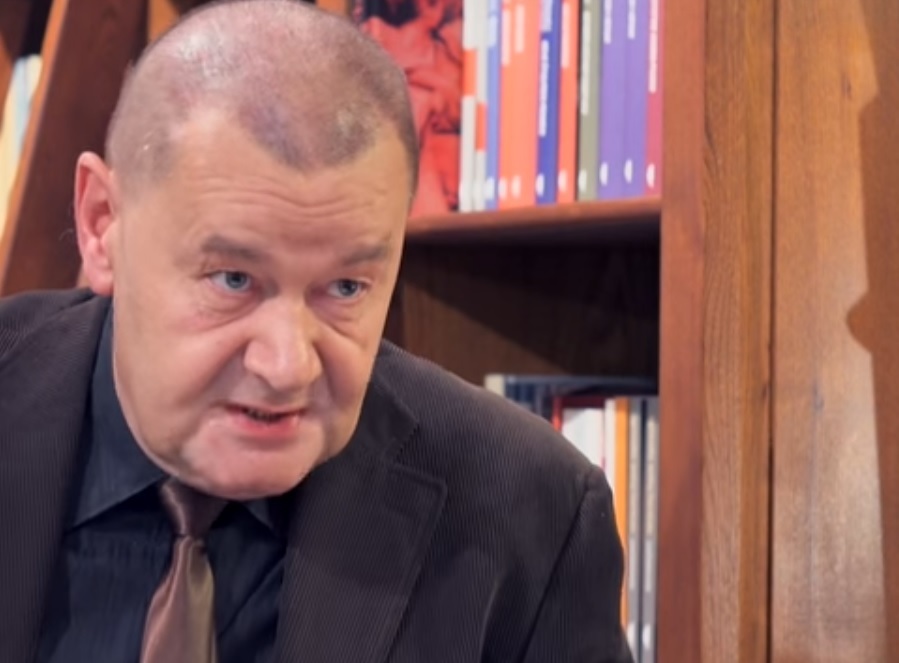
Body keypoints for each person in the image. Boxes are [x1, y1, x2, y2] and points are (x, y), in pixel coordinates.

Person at [0, 1, 631, 662]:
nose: (288, 365)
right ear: (102, 223)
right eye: (234, 280)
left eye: (346, 288)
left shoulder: (529, 513)